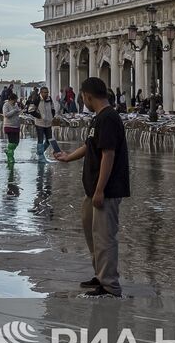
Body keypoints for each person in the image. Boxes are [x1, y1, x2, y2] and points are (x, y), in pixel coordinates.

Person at [54, 77, 130, 298]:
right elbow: (90, 146)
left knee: (105, 236)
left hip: (107, 189)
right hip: (94, 189)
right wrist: (68, 157)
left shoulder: (108, 118)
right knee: (93, 234)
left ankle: (110, 286)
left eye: (82, 97)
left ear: (87, 96)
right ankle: (100, 275)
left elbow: (108, 154)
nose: (83, 101)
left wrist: (100, 190)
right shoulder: (99, 118)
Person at [33, 87, 57, 160]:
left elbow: (52, 108)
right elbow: (31, 110)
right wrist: (39, 116)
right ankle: (41, 157)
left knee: (49, 140)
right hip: (40, 123)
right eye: (45, 92)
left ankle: (40, 152)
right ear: (41, 92)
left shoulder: (49, 99)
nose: (46, 94)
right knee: (40, 139)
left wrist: (52, 116)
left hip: (48, 123)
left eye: (47, 92)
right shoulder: (36, 99)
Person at [1, 90, 22, 163]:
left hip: (16, 126)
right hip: (9, 126)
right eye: (14, 100)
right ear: (10, 99)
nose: (15, 102)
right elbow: (5, 115)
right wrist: (14, 111)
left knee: (16, 142)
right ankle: (10, 156)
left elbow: (17, 112)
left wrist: (19, 111)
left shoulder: (15, 105)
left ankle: (8, 151)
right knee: (11, 142)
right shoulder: (6, 105)